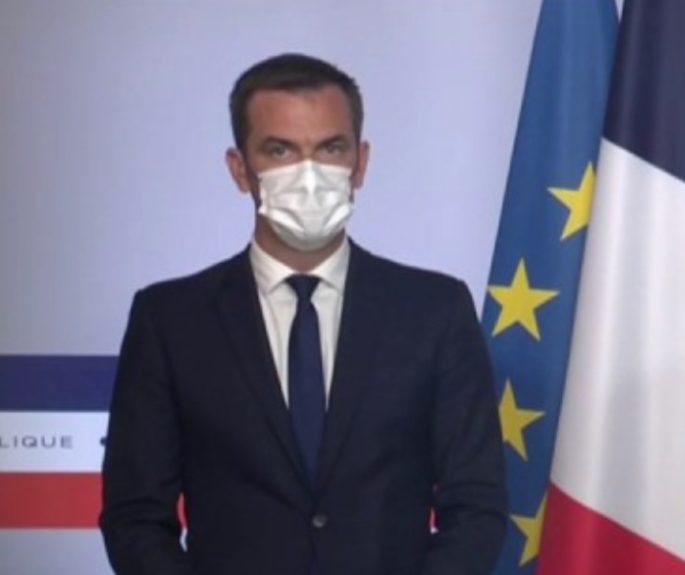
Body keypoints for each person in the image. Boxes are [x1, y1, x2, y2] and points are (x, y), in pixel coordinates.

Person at [100, 53, 506, 575]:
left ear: (360, 163)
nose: (309, 174)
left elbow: (476, 506)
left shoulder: (435, 311)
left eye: (330, 148)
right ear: (240, 169)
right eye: (281, 150)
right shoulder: (170, 321)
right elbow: (135, 517)